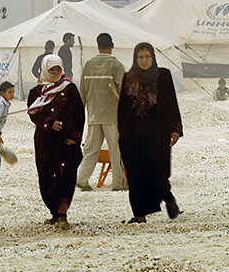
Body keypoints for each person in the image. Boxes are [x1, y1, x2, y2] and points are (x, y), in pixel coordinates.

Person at [118, 42, 183, 224]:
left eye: (147, 57)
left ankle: (168, 198)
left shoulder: (163, 76)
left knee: (157, 172)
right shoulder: (128, 77)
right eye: (140, 57)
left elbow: (171, 103)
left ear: (153, 57)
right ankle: (139, 215)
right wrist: (121, 132)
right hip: (132, 135)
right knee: (135, 175)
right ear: (135, 58)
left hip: (157, 133)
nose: (144, 61)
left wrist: (175, 129)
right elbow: (122, 108)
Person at [27, 55, 85, 228]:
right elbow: (33, 113)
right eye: (52, 69)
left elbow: (79, 114)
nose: (55, 72)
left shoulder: (70, 89)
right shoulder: (36, 92)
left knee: (65, 176)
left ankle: (62, 213)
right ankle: (53, 211)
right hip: (45, 142)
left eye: (58, 69)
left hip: (66, 142)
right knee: (45, 177)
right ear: (45, 69)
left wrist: (75, 136)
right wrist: (48, 123)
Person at [75, 33, 128, 191]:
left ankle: (82, 180)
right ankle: (118, 184)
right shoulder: (117, 66)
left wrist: (80, 114)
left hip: (93, 116)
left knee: (91, 150)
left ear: (97, 46)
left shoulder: (88, 65)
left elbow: (82, 92)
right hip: (112, 117)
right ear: (112, 45)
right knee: (116, 150)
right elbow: (123, 93)